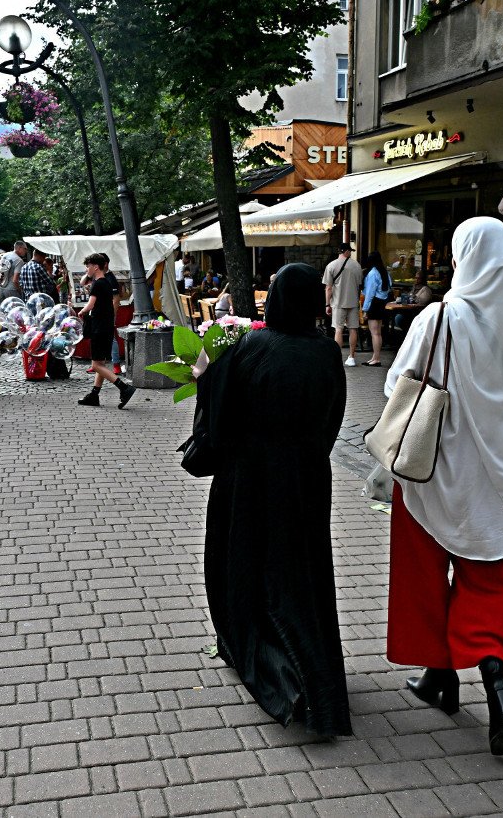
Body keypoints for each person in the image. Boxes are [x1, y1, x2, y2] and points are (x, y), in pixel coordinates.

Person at [386, 216, 503, 757]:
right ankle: (498, 686)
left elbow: (397, 384)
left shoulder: (441, 316)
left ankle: (440, 678)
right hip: (498, 477)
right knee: (488, 580)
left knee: (423, 573)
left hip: (435, 467)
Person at [195, 262, 350, 736]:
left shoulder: (251, 346)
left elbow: (219, 415)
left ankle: (268, 664)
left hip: (248, 478)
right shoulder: (327, 352)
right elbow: (332, 419)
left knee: (245, 560)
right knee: (299, 571)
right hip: (304, 479)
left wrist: (205, 372)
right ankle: (311, 669)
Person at [76, 253, 136, 408]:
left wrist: (81, 312)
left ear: (95, 266)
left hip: (99, 328)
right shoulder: (107, 282)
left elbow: (90, 305)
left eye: (88, 266)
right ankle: (94, 395)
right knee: (100, 363)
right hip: (106, 327)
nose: (87, 269)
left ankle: (124, 388)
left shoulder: (98, 283)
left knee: (96, 365)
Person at [322, 243, 363, 367]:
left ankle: (337, 358)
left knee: (338, 329)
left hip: (338, 302)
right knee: (353, 329)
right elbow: (359, 285)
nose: (350, 253)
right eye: (350, 251)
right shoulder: (357, 265)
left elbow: (328, 288)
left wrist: (327, 304)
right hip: (353, 302)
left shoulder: (331, 266)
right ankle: (352, 357)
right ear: (345, 251)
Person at [361, 251, 391, 367]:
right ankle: (374, 357)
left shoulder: (373, 273)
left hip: (374, 303)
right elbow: (389, 287)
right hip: (381, 302)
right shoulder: (384, 272)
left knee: (374, 333)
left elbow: (369, 293)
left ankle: (376, 358)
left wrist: (365, 309)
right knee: (378, 332)